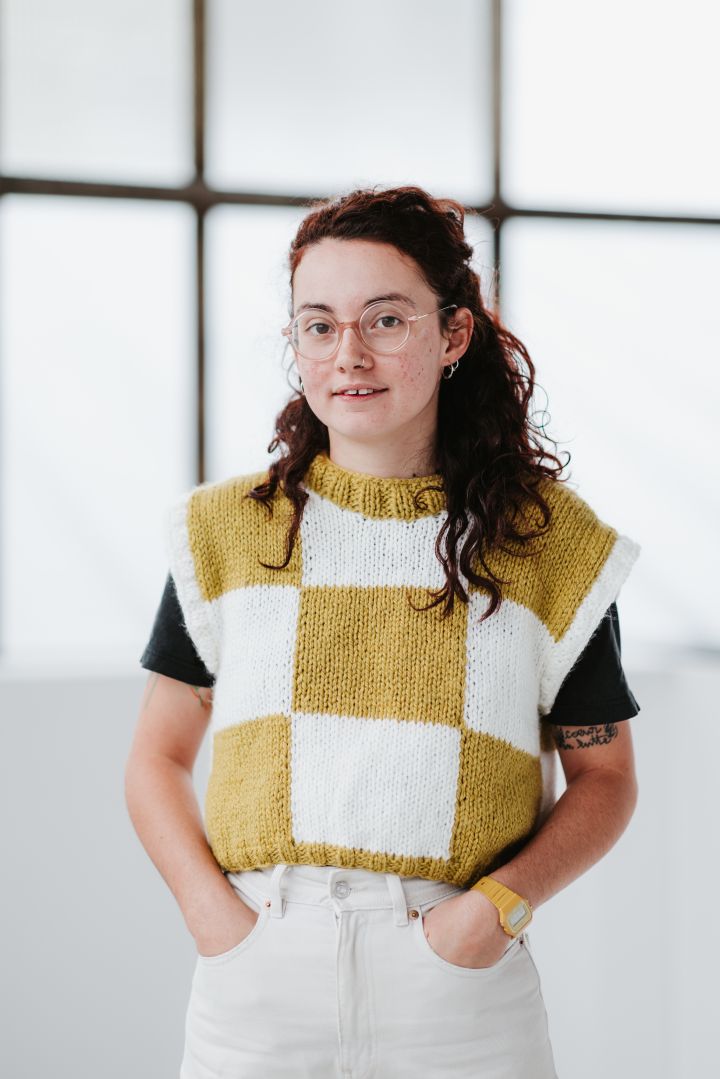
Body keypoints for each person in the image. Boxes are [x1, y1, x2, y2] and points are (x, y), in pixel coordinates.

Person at [125, 184, 642, 1079]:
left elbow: (607, 779)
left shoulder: (548, 545)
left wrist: (492, 914)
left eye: (387, 320)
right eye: (319, 325)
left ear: (454, 333)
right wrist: (215, 918)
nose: (349, 354)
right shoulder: (225, 533)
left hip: (459, 992)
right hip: (257, 986)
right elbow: (155, 758)